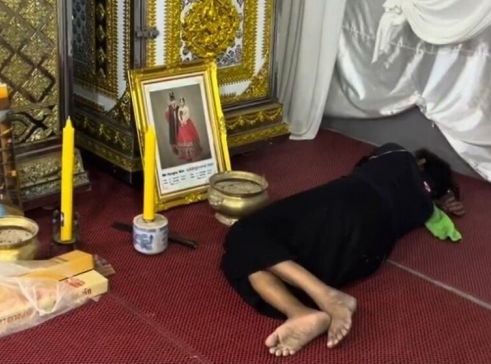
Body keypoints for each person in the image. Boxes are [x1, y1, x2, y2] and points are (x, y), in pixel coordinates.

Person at [221, 143, 465, 357]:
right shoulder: (426, 209)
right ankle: (302, 313)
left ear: (421, 162)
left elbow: (363, 163)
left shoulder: (398, 155)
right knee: (246, 259)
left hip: (348, 202)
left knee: (245, 231)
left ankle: (326, 296)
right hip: (372, 252)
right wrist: (441, 199)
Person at [176, 97, 203, 161]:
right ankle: (186, 154)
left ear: (184, 102)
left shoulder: (186, 108)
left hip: (187, 122)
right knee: (183, 137)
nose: (182, 103)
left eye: (182, 102)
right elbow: (178, 116)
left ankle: (192, 153)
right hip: (181, 123)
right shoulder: (179, 109)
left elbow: (188, 115)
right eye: (180, 102)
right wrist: (181, 121)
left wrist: (185, 120)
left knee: (189, 137)